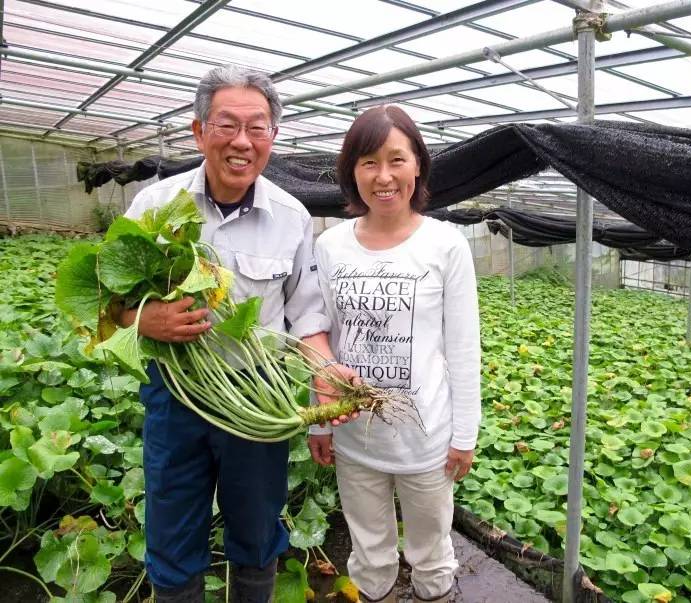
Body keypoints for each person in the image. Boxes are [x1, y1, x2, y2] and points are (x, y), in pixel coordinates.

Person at [119, 64, 354, 603]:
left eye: (258, 127)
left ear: (274, 136)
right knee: (172, 529)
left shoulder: (292, 217)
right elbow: (111, 306)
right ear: (199, 131)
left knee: (257, 529)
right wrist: (144, 319)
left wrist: (326, 376)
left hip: (257, 395)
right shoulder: (154, 208)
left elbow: (309, 317)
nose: (242, 142)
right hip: (176, 393)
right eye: (226, 125)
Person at [308, 105, 481, 603]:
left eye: (396, 160)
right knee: (368, 548)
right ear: (352, 172)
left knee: (432, 549)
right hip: (354, 435)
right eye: (368, 162)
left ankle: (433, 593)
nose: (383, 177)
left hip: (425, 438)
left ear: (418, 166)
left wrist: (464, 433)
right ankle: (374, 592)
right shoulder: (332, 245)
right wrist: (320, 422)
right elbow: (320, 338)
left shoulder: (445, 245)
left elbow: (463, 348)